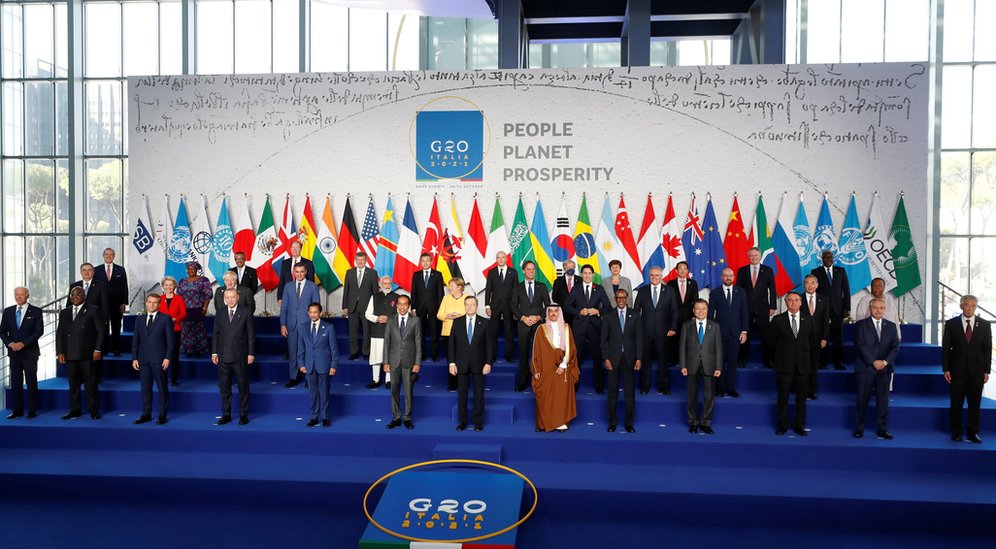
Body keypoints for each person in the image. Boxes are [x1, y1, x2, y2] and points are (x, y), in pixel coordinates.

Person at [942, 295, 991, 443]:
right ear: (961, 306)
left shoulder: (984, 324)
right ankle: (956, 431)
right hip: (957, 371)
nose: (970, 308)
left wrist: (987, 370)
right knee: (956, 403)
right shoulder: (951, 324)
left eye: (973, 305)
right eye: (967, 305)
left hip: (977, 371)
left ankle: (972, 432)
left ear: (976, 307)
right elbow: (946, 348)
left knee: (975, 404)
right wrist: (946, 368)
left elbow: (987, 349)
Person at [771, 292, 818, 436]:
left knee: (801, 399)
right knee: (783, 398)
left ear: (801, 302)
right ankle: (782, 425)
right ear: (786, 302)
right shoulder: (778, 320)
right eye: (790, 300)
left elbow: (813, 343)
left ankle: (799, 425)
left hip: (803, 366)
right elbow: (770, 343)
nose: (793, 303)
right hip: (783, 365)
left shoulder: (809, 320)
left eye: (796, 300)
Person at [852, 298, 899, 440]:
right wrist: (873, 362)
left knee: (883, 401)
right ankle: (859, 428)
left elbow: (895, 347)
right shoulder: (860, 325)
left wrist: (884, 362)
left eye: (881, 307)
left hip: (884, 369)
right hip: (866, 368)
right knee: (862, 399)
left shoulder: (891, 326)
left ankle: (882, 429)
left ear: (885, 309)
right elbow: (859, 345)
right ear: (870, 309)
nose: (878, 310)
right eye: (875, 307)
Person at [56, 287, 105, 420]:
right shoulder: (65, 312)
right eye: (73, 294)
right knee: (73, 385)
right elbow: (60, 333)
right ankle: (74, 410)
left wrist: (98, 350)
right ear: (70, 297)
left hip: (87, 353)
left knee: (90, 384)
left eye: (79, 294)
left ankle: (94, 411)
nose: (76, 296)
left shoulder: (93, 309)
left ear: (84, 295)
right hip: (70, 353)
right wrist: (60, 352)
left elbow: (101, 331)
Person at [531, 304, 579, 432]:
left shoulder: (566, 328)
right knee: (544, 395)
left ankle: (560, 423)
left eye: (555, 311)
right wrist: (536, 370)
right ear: (547, 313)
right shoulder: (541, 329)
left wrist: (563, 365)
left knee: (561, 396)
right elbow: (535, 352)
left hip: (563, 367)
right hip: (545, 369)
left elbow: (571, 349)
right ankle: (543, 424)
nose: (553, 313)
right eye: (550, 311)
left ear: (560, 313)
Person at [564, 264, 612, 393]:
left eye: (589, 273)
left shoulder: (600, 289)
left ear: (593, 274)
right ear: (581, 274)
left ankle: (599, 386)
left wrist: (598, 311)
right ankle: (574, 385)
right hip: (579, 327)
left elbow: (607, 307)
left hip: (595, 327)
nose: (587, 275)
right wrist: (579, 311)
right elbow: (567, 306)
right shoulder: (576, 288)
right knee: (576, 357)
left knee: (597, 358)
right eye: (584, 273)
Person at [448, 296, 493, 431]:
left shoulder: (484, 322)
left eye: (472, 304)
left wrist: (488, 363)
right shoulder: (457, 322)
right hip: (461, 364)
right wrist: (451, 363)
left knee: (479, 395)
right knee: (462, 395)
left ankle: (478, 422)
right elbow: (451, 344)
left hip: (479, 364)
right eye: (467, 305)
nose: (469, 307)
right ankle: (462, 422)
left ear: (477, 305)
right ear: (464, 306)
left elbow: (489, 345)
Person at [212, 288, 256, 425]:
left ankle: (243, 415)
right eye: (228, 297)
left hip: (240, 356)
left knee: (243, 387)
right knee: (225, 388)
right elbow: (216, 334)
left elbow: (250, 335)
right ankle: (226, 414)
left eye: (233, 297)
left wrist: (251, 353)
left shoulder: (245, 311)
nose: (230, 300)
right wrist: (214, 352)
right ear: (225, 298)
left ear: (237, 297)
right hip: (223, 356)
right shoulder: (220, 312)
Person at [600, 289, 642, 433]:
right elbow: (603, 339)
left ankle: (629, 422)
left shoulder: (635, 315)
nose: (621, 300)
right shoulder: (608, 315)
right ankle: (612, 422)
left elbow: (639, 338)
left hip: (630, 358)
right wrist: (606, 358)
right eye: (618, 298)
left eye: (623, 297)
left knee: (630, 392)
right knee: (612, 392)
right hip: (613, 359)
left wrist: (639, 358)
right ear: (615, 299)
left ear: (627, 298)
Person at [680, 299, 722, 434]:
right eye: (698, 308)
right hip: (691, 365)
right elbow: (682, 348)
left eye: (703, 308)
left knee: (709, 396)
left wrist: (718, 367)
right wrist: (683, 365)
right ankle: (693, 422)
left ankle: (705, 423)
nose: (701, 311)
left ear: (707, 310)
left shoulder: (715, 326)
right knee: (691, 395)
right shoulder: (687, 325)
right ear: (693, 310)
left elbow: (718, 349)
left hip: (710, 365)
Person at [634, 266, 678, 395]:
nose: (654, 277)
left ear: (661, 276)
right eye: (652, 275)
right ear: (649, 276)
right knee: (645, 361)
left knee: (663, 361)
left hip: (663, 332)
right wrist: (637, 330)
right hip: (645, 332)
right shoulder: (642, 291)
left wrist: (673, 328)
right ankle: (644, 387)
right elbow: (636, 312)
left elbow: (674, 311)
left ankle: (663, 387)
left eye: (657, 275)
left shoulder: (669, 291)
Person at [131, 293, 174, 425]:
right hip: (143, 360)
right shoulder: (139, 319)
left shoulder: (165, 319)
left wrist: (167, 357)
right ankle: (146, 413)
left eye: (155, 302)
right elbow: (135, 340)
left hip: (159, 360)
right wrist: (135, 358)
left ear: (159, 304)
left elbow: (171, 342)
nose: (151, 304)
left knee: (162, 388)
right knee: (145, 388)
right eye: (149, 302)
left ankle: (162, 415)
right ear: (146, 303)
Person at [1, 286, 43, 419]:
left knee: (31, 381)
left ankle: (32, 410)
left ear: (27, 295)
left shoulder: (36, 311)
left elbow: (38, 331)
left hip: (30, 352)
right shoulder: (8, 311)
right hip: (14, 353)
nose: (19, 297)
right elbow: (2, 331)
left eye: (21, 295)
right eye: (16, 295)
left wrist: (23, 343)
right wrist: (10, 343)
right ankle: (17, 410)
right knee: (16, 382)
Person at [708, 268, 748, 398]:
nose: (728, 277)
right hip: (719, 333)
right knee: (718, 362)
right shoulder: (715, 293)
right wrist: (710, 332)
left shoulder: (741, 292)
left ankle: (730, 388)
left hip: (735, 334)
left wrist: (744, 331)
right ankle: (719, 388)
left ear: (734, 277)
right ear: (721, 277)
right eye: (725, 275)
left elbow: (745, 313)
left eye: (730, 275)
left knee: (732, 363)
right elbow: (710, 314)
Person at [297, 303, 338, 428]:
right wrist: (301, 363)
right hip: (309, 366)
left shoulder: (329, 327)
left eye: (316, 312)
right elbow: (300, 348)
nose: (313, 314)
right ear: (308, 313)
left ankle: (325, 417)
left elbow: (334, 349)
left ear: (320, 313)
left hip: (324, 365)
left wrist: (333, 366)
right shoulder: (303, 327)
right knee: (313, 393)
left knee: (324, 392)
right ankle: (314, 417)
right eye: (311, 312)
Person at [383, 295, 421, 430]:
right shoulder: (391, 320)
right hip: (393, 361)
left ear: (409, 306)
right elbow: (386, 341)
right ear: (396, 305)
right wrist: (385, 361)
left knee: (408, 391)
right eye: (400, 304)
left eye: (405, 304)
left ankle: (407, 417)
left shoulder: (415, 320)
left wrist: (417, 362)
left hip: (409, 361)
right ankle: (396, 417)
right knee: (394, 390)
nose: (402, 307)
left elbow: (418, 342)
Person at [512, 261, 551, 392]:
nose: (531, 271)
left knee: (539, 355)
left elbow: (548, 306)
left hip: (539, 325)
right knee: (523, 355)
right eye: (528, 269)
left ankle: (539, 381)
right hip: (523, 325)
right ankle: (522, 382)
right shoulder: (517, 287)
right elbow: (513, 306)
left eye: (533, 269)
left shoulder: (542, 286)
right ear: (523, 271)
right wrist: (523, 318)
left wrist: (539, 317)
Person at [68, 262, 110, 381]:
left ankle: (96, 378)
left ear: (93, 272)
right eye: (84, 270)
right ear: (81, 272)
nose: (87, 272)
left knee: (94, 353)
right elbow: (69, 305)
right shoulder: (74, 286)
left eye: (89, 270)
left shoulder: (101, 286)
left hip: (94, 326)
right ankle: (80, 377)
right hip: (77, 326)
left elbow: (105, 307)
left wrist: (104, 325)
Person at [281, 263, 321, 387]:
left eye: (301, 271)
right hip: (291, 325)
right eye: (297, 271)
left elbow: (316, 306)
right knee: (293, 352)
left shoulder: (313, 286)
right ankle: (293, 377)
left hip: (307, 325)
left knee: (308, 352)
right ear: (294, 272)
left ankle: (309, 379)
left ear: (305, 272)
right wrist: (283, 324)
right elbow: (284, 307)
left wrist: (314, 324)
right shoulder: (288, 286)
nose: (299, 274)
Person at [736, 247, 777, 368]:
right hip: (746, 308)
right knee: (744, 336)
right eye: (751, 256)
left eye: (756, 256)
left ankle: (768, 360)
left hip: (763, 308)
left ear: (760, 257)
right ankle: (742, 359)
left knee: (766, 337)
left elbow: (773, 290)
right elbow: (738, 290)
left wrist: (773, 306)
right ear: (748, 257)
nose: (754, 258)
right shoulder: (742, 271)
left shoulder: (768, 270)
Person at [810, 249, 850, 370]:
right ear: (822, 259)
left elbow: (846, 291)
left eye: (830, 257)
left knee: (838, 337)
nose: (828, 259)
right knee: (822, 336)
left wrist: (847, 308)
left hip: (838, 309)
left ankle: (839, 362)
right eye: (826, 257)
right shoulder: (815, 272)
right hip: (821, 309)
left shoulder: (841, 271)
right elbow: (813, 291)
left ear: (833, 258)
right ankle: (822, 362)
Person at [364, 276, 400, 389]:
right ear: (380, 284)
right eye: (385, 283)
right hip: (377, 331)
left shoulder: (397, 297)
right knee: (376, 356)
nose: (387, 285)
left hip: (392, 332)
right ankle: (376, 379)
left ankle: (388, 380)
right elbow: (367, 314)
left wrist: (389, 319)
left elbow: (401, 313)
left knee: (389, 357)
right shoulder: (374, 297)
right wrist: (378, 318)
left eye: (389, 283)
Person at [342, 251, 379, 360]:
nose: (360, 262)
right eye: (358, 260)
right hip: (352, 306)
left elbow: (375, 292)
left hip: (367, 307)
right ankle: (354, 352)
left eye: (362, 260)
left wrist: (375, 308)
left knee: (367, 331)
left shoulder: (372, 273)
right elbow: (346, 291)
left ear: (366, 260)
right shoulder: (349, 272)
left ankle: (366, 353)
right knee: (353, 331)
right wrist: (345, 306)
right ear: (355, 260)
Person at [485, 250, 518, 363]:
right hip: (494, 306)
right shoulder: (492, 272)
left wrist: (515, 306)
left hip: (509, 306)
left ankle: (509, 356)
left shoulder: (513, 272)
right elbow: (488, 289)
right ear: (496, 259)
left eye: (502, 257)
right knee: (493, 332)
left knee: (509, 332)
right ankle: (492, 355)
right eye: (498, 257)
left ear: (506, 258)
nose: (500, 259)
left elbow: (516, 291)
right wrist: (487, 305)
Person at [799, 274, 829, 400]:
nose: (810, 285)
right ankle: (801, 390)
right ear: (804, 284)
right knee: (801, 365)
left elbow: (826, 320)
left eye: (812, 282)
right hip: (801, 338)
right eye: (807, 282)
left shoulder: (824, 299)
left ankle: (812, 391)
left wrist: (824, 338)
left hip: (817, 339)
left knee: (813, 366)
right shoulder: (798, 298)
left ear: (817, 285)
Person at [93, 248, 128, 356]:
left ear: (114, 256)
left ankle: (116, 349)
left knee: (116, 326)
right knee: (103, 327)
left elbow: (124, 287)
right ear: (103, 256)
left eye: (111, 254)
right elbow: (94, 287)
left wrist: (124, 302)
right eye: (107, 254)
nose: (109, 256)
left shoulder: (120, 270)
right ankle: (103, 349)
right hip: (100, 304)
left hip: (117, 304)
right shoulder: (96, 270)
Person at [410, 253, 445, 361]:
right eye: (423, 261)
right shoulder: (416, 275)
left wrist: (440, 308)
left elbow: (440, 293)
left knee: (435, 333)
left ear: (431, 262)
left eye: (427, 261)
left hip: (434, 308)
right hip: (419, 308)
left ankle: (435, 355)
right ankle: (422, 355)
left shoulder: (438, 275)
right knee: (420, 333)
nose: (425, 263)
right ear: (420, 262)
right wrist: (414, 308)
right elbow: (414, 292)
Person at [437, 277, 468, 391]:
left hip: (463, 333)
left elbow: (470, 313)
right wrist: (447, 316)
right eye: (450, 286)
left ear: (459, 287)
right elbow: (439, 314)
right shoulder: (446, 298)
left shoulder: (467, 299)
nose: (450, 288)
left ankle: (462, 383)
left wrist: (460, 316)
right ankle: (452, 384)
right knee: (451, 360)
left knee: (462, 359)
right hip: (448, 332)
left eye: (453, 286)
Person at [667, 261, 699, 368]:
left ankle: (687, 360)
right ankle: (673, 359)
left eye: (684, 268)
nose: (682, 270)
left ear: (687, 270)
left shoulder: (693, 283)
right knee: (674, 340)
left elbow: (695, 300)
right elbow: (668, 302)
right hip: (674, 316)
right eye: (680, 268)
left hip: (689, 316)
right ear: (676, 270)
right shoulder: (670, 283)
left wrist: (695, 316)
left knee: (688, 339)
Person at [176, 261, 212, 357]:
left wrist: (204, 308)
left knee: (198, 330)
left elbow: (208, 295)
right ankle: (188, 350)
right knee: (186, 330)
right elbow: (178, 296)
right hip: (185, 310)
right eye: (189, 268)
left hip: (198, 309)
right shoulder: (182, 281)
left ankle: (199, 350)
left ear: (197, 269)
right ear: (186, 270)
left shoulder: (204, 280)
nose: (191, 270)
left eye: (193, 268)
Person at [158, 276, 186, 387]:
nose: (169, 287)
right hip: (161, 331)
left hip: (175, 330)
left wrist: (176, 319)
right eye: (166, 285)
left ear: (174, 286)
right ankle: (162, 378)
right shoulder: (160, 298)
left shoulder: (179, 299)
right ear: (163, 286)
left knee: (174, 356)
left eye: (171, 285)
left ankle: (174, 379)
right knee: (161, 355)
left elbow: (183, 314)